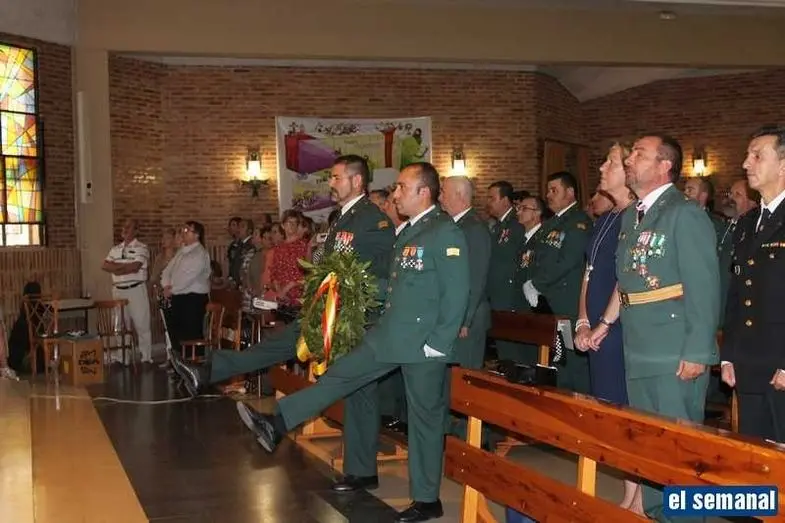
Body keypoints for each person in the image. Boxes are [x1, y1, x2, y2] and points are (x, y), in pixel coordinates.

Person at [235, 162, 469, 523]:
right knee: (341, 374)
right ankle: (278, 423)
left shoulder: (444, 231)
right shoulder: (410, 230)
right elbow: (396, 284)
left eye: (402, 187)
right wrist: (349, 284)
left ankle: (426, 499)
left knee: (424, 420)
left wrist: (439, 343)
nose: (395, 194)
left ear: (424, 192)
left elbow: (457, 292)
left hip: (423, 343)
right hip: (390, 333)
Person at [172, 155, 396, 494]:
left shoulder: (372, 220)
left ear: (356, 181)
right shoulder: (344, 218)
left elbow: (380, 271)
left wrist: (348, 300)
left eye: (337, 177)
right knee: (294, 352)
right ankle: (208, 370)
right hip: (328, 309)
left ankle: (359, 469)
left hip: (350, 317)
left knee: (356, 388)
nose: (331, 183)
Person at [597, 134, 719, 522]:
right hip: (639, 345)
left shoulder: (684, 213)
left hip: (672, 348)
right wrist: (606, 323)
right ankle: (654, 513)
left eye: (639, 154)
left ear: (664, 166)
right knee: (648, 445)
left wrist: (697, 351)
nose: (629, 160)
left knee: (679, 450)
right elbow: (629, 281)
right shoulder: (634, 216)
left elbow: (703, 286)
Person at [574, 143, 642, 514]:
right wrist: (583, 320)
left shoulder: (636, 215)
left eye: (611, 162)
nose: (602, 167)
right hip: (597, 324)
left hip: (619, 327)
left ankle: (640, 499)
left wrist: (603, 323)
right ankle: (629, 493)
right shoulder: (605, 218)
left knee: (627, 413)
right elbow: (589, 273)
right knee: (611, 414)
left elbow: (625, 276)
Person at [722, 125, 785, 442]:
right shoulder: (747, 223)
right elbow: (737, 293)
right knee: (752, 455)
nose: (746, 163)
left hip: (781, 364)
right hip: (748, 363)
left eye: (757, 156)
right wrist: (729, 354)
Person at [524, 171, 592, 393]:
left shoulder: (578, 222)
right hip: (549, 304)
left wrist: (537, 283)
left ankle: (580, 407)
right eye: (548, 190)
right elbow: (539, 257)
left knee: (573, 365)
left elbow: (568, 260)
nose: (548, 195)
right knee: (557, 362)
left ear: (570, 192)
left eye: (554, 190)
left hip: (567, 304)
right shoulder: (551, 223)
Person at [438, 176, 491, 440]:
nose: (440, 197)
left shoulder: (474, 228)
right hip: (455, 315)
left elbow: (476, 277)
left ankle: (473, 438)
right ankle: (455, 432)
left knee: (467, 377)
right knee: (453, 377)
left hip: (468, 315)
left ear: (459, 195)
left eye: (443, 192)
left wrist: (465, 319)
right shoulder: (454, 225)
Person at [101, 218, 153, 365]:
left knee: (141, 324)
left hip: (135, 289)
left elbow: (135, 267)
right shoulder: (115, 249)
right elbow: (105, 265)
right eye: (123, 227)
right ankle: (123, 356)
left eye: (128, 227)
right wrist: (123, 268)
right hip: (118, 291)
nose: (124, 229)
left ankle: (146, 357)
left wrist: (116, 268)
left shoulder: (142, 248)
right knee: (119, 325)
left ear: (136, 231)